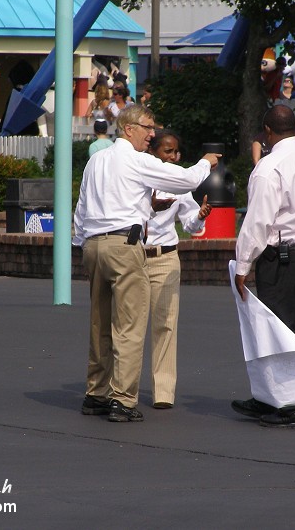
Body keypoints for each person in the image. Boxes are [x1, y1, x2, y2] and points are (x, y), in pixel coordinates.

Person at [73, 105, 221, 423]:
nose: (152, 134)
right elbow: (185, 180)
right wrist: (206, 163)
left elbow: (82, 207)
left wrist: (80, 244)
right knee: (130, 325)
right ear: (129, 129)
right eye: (148, 127)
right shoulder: (137, 160)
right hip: (124, 246)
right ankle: (123, 400)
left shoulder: (96, 160)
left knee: (100, 323)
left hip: (94, 245)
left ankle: (96, 394)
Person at [232, 104, 295, 429]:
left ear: (268, 132)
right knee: (294, 326)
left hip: (284, 256)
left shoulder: (269, 167)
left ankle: (292, 407)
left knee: (278, 330)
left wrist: (243, 263)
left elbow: (258, 220)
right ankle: (268, 397)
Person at [144, 130, 212, 409]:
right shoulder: (137, 176)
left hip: (165, 258)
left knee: (166, 325)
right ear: (153, 153)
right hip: (134, 256)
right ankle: (122, 390)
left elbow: (193, 227)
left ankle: (163, 391)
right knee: (128, 328)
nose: (173, 157)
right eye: (167, 152)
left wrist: (199, 215)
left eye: (176, 153)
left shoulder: (180, 184)